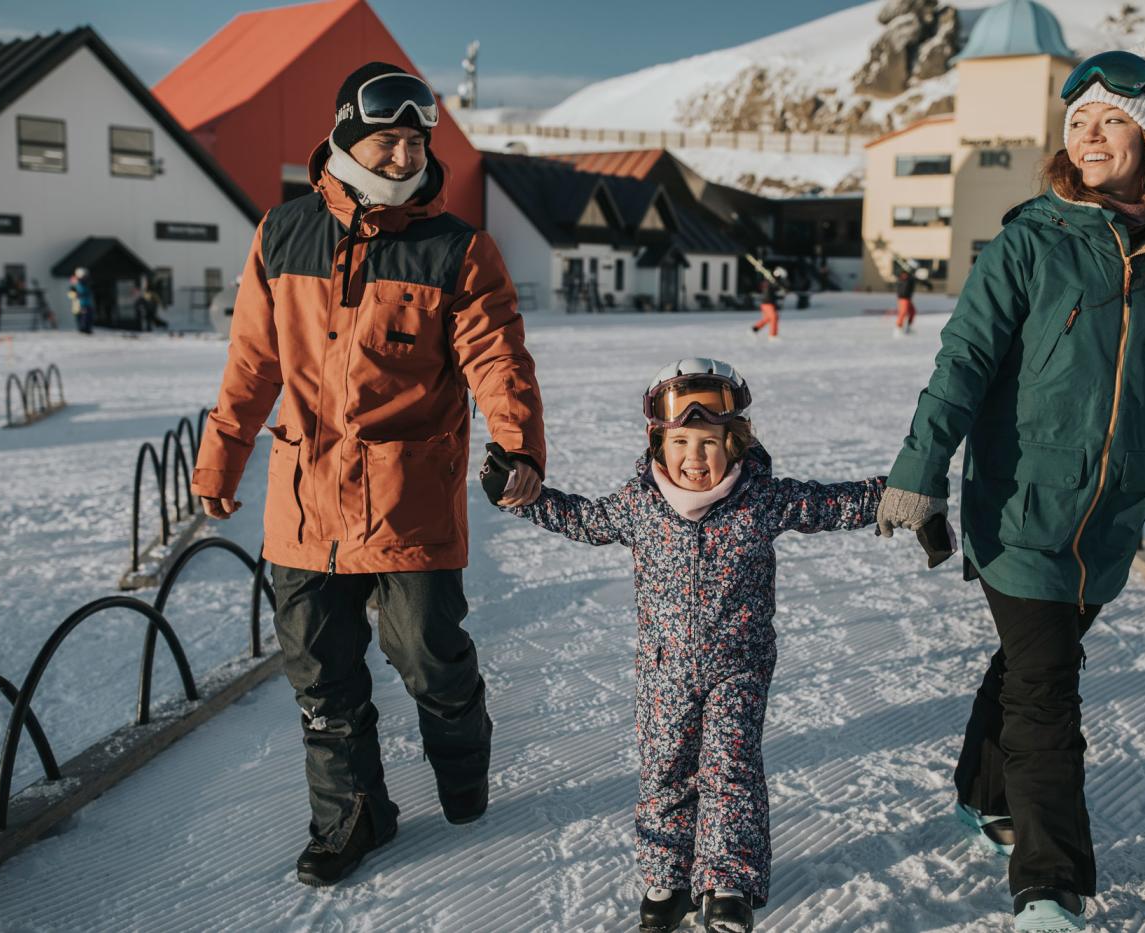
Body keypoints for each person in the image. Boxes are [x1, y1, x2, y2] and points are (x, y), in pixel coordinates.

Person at [875, 44, 1145, 931]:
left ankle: (978, 792)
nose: (1093, 134)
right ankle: (1049, 883)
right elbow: (963, 362)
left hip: (1103, 526)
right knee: (1048, 692)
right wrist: (920, 475)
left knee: (1029, 667)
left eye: (1113, 119)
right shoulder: (1032, 238)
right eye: (1079, 122)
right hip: (1022, 510)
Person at [190, 62, 546, 887]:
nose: (401, 155)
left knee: (428, 656)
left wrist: (519, 444)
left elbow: (498, 356)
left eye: (414, 141)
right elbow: (251, 359)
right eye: (387, 139)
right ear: (349, 134)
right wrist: (224, 451)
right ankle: (352, 814)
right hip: (304, 504)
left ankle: (462, 759)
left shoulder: (456, 248)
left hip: (408, 499)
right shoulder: (282, 233)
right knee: (321, 672)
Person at [493, 358, 885, 933]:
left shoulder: (761, 498)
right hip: (663, 670)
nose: (694, 458)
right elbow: (582, 518)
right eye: (681, 441)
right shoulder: (640, 505)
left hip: (739, 666)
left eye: (709, 442)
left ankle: (726, 883)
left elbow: (831, 503)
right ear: (659, 443)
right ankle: (667, 879)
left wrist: (899, 494)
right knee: (664, 771)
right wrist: (521, 495)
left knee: (730, 768)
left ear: (737, 444)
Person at [893, 264, 930, 336]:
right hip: (903, 298)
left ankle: (908, 328)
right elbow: (900, 279)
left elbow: (919, 281)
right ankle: (898, 328)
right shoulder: (902, 277)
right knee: (903, 312)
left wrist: (927, 284)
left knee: (912, 312)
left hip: (908, 298)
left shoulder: (911, 278)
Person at [750, 269, 785, 339]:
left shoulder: (771, 283)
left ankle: (755, 328)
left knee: (767, 318)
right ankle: (773, 335)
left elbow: (773, 293)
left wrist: (780, 295)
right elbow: (770, 293)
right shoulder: (771, 283)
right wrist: (780, 293)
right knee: (774, 318)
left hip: (766, 303)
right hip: (768, 303)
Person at [70, 268, 94, 334]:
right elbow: (71, 294)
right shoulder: (76, 283)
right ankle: (83, 329)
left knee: (88, 317)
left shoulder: (86, 283)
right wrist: (76, 296)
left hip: (86, 303)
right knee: (82, 318)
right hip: (79, 304)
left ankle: (87, 329)